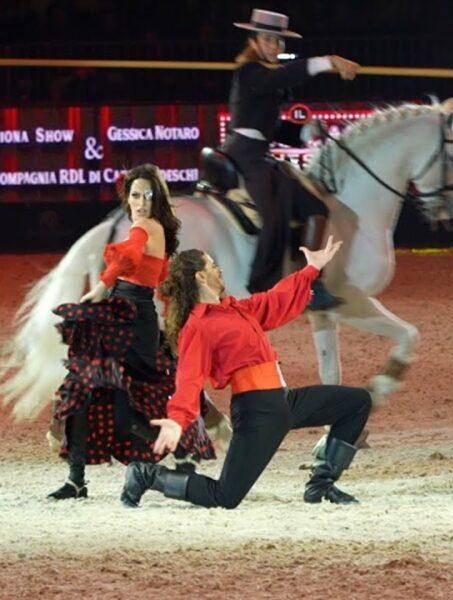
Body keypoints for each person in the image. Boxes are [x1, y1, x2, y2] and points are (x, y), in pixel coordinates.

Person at [121, 236, 372, 509]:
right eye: (213, 266)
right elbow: (189, 379)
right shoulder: (198, 326)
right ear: (201, 278)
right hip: (257, 412)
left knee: (357, 402)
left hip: (285, 402)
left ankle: (320, 486)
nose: (220, 271)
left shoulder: (236, 309)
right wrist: (177, 420)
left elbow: (275, 301)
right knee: (225, 497)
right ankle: (146, 474)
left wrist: (311, 269)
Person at [48, 164, 215, 500]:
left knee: (121, 407)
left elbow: (130, 255)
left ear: (157, 199)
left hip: (132, 319)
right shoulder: (158, 229)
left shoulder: (145, 227)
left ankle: (172, 453)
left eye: (147, 196)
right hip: (122, 316)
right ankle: (77, 479)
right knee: (85, 394)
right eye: (135, 195)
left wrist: (101, 286)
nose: (139, 202)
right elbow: (156, 273)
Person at [221, 8, 359, 309]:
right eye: (268, 40)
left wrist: (306, 132)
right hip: (244, 155)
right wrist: (329, 61)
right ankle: (258, 287)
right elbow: (286, 74)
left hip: (261, 154)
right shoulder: (249, 72)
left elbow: (273, 127)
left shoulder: (268, 77)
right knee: (272, 215)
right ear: (254, 41)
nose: (274, 46)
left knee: (316, 207)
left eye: (278, 42)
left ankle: (308, 284)